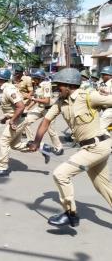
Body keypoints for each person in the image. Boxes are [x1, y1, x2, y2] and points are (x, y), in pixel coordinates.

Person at [28, 68, 112, 227]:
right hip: (89, 148)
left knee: (61, 174)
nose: (56, 89)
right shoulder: (61, 102)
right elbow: (45, 121)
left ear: (68, 85)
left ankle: (70, 214)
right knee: (104, 187)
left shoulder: (88, 96)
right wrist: (36, 142)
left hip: (98, 146)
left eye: (59, 85)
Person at [0, 68, 31, 177]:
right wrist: (5, 118)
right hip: (18, 118)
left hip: (18, 119)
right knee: (15, 144)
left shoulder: (9, 89)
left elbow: (20, 106)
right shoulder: (4, 89)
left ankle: (2, 168)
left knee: (4, 141)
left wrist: (12, 120)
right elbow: (11, 108)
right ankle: (41, 147)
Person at [23, 69, 63, 155]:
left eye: (35, 77)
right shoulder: (37, 85)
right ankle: (31, 141)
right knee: (25, 121)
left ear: (39, 78)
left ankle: (59, 147)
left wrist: (32, 98)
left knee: (50, 130)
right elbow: (36, 99)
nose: (33, 79)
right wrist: (27, 108)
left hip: (49, 109)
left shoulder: (46, 85)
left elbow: (46, 101)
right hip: (40, 108)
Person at [98, 66, 112, 133]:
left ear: (110, 75)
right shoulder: (103, 83)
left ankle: (106, 141)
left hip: (110, 109)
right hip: (102, 107)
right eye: (102, 74)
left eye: (104, 74)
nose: (102, 76)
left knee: (100, 127)